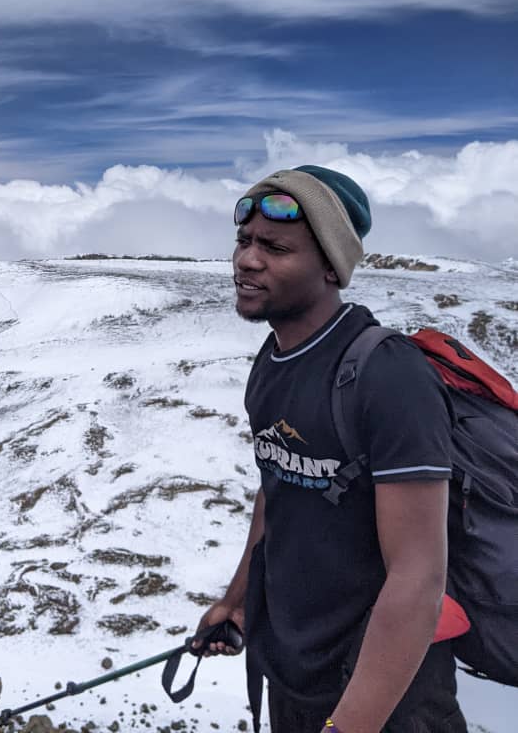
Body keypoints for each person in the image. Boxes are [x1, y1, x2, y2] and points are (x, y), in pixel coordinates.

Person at [193, 165, 467, 733]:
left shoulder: (388, 374)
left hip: (385, 692)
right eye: (244, 241)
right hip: (292, 672)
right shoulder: (272, 363)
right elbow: (278, 490)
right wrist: (239, 600)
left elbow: (419, 575)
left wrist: (352, 724)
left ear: (329, 265)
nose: (246, 259)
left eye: (275, 247)